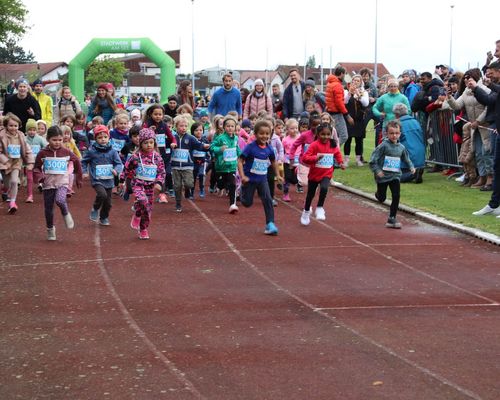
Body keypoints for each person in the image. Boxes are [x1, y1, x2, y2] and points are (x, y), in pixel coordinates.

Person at [33, 126, 83, 240]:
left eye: (60, 140)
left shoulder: (66, 151)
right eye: (54, 140)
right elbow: (36, 168)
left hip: (62, 182)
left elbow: (77, 162)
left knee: (60, 200)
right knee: (49, 209)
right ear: (48, 139)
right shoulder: (42, 153)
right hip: (48, 184)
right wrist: (40, 177)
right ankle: (50, 229)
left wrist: (78, 178)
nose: (57, 142)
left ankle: (65, 213)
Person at [446, 69, 492, 189]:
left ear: (475, 78)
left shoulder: (486, 89)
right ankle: (481, 177)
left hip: (485, 125)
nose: (466, 80)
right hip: (474, 126)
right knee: (477, 152)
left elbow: (489, 107)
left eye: (469, 78)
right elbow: (456, 105)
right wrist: (449, 97)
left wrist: (479, 121)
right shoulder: (466, 92)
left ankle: (490, 178)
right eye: (465, 78)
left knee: (486, 151)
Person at [238, 120, 283, 235]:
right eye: (261, 133)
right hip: (249, 180)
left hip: (262, 180)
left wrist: (277, 175)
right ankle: (242, 190)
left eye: (267, 134)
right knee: (247, 203)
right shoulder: (250, 147)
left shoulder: (269, 149)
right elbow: (240, 160)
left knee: (268, 200)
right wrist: (242, 176)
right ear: (255, 134)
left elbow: (273, 161)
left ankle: (270, 224)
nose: (264, 136)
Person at [370, 120, 415, 229]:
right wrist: (377, 171)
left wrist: (411, 167)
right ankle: (378, 194)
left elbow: (406, 158)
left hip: (395, 176)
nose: (394, 135)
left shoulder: (401, 147)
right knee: (382, 198)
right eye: (391, 133)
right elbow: (373, 160)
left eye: (396, 133)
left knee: (396, 195)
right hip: (383, 177)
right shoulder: (383, 146)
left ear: (400, 133)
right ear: (387, 133)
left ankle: (392, 218)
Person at [122, 128, 166, 239]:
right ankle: (137, 214)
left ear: (154, 143)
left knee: (147, 209)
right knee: (142, 201)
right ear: (141, 144)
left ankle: (143, 229)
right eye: (146, 143)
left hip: (150, 186)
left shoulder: (157, 157)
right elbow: (126, 168)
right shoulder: (135, 157)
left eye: (151, 142)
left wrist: (159, 182)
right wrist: (121, 180)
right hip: (138, 184)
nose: (149, 145)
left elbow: (161, 171)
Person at [470, 60, 500, 216]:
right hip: (497, 130)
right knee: (496, 167)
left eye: (492, 73)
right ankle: (494, 204)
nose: (489, 75)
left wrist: (483, 85)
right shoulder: (495, 88)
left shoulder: (495, 87)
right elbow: (489, 101)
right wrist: (476, 89)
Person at [299, 123, 344, 225]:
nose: (325, 137)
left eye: (328, 134)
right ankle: (306, 212)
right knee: (310, 195)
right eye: (323, 134)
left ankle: (320, 207)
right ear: (318, 134)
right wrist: (315, 158)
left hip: (326, 173)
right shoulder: (314, 145)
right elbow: (305, 158)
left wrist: (341, 163)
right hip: (314, 175)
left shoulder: (332, 144)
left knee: (324, 188)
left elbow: (337, 153)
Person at [81, 125, 123, 225]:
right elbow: (83, 162)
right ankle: (95, 208)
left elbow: (118, 163)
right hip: (97, 179)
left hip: (109, 180)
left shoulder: (113, 152)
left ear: (109, 138)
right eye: (100, 137)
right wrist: (84, 172)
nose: (103, 139)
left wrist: (116, 170)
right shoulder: (92, 151)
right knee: (102, 194)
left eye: (105, 137)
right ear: (95, 139)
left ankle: (104, 217)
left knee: (108, 203)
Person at [171, 115, 210, 211]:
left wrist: (205, 146)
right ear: (176, 126)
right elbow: (166, 146)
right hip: (175, 166)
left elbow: (198, 145)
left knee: (189, 184)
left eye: (185, 126)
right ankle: (178, 203)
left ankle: (188, 190)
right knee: (177, 186)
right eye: (181, 126)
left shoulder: (190, 138)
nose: (183, 128)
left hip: (187, 165)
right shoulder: (172, 137)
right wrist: (170, 145)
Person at [0, 113, 35, 213]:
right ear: (6, 125)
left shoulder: (21, 136)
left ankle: (12, 203)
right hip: (4, 164)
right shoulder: (1, 136)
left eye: (15, 126)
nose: (13, 128)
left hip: (16, 162)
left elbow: (27, 149)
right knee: (7, 184)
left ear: (19, 126)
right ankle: (6, 190)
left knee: (15, 181)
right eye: (11, 125)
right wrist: (5, 160)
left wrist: (30, 162)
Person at [142, 104, 177, 203]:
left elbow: (171, 137)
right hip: (149, 155)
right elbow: (141, 137)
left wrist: (174, 142)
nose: (158, 116)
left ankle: (162, 194)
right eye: (156, 114)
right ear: (150, 114)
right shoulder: (146, 124)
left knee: (163, 174)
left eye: (160, 114)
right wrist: (149, 131)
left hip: (161, 155)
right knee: (150, 176)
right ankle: (144, 194)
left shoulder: (164, 125)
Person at [210, 115, 241, 213]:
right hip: (221, 167)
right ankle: (219, 186)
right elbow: (212, 147)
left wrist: (242, 156)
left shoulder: (236, 138)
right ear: (224, 127)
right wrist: (219, 149)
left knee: (232, 184)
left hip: (232, 166)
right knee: (221, 183)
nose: (230, 128)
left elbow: (237, 149)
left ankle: (232, 204)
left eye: (232, 126)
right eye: (228, 126)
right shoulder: (220, 138)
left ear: (235, 127)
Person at [393, 103, 425, 183]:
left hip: (408, 157)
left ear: (396, 114)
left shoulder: (397, 124)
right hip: (420, 157)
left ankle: (413, 174)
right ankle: (416, 172)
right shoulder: (415, 122)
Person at [344, 74, 369, 167]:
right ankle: (346, 159)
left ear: (361, 82)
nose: (355, 82)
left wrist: (358, 95)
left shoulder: (364, 92)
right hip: (349, 118)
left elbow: (365, 103)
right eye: (354, 80)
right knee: (348, 139)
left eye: (358, 81)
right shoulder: (346, 91)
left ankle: (358, 159)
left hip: (359, 119)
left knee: (359, 140)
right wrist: (350, 93)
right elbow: (344, 102)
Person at [325, 66, 353, 146]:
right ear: (341, 74)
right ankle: (332, 150)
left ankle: (331, 152)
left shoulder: (330, 83)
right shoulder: (337, 85)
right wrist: (347, 115)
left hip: (330, 112)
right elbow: (339, 103)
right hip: (336, 114)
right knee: (344, 136)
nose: (345, 76)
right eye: (345, 74)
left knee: (332, 135)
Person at [24, 118, 48, 203]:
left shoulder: (40, 139)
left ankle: (43, 182)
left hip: (38, 164)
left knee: (40, 177)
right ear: (26, 130)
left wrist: (43, 156)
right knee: (29, 179)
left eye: (34, 130)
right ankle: (30, 195)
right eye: (30, 130)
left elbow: (46, 147)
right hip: (28, 163)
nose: (32, 132)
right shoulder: (24, 139)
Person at [282, 118, 301, 201]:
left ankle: (292, 182)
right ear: (287, 129)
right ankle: (286, 193)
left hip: (297, 161)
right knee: (288, 177)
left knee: (295, 180)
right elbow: (282, 149)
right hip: (288, 161)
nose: (294, 130)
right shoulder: (285, 139)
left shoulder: (300, 137)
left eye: (296, 128)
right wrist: (281, 158)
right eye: (292, 128)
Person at [190, 122, 210, 198]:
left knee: (201, 174)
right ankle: (192, 192)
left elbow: (209, 151)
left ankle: (202, 189)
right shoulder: (191, 140)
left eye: (201, 130)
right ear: (193, 132)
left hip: (202, 161)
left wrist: (207, 160)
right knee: (193, 177)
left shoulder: (205, 140)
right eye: (196, 130)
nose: (199, 132)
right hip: (193, 162)